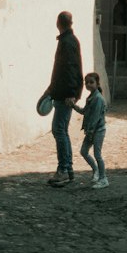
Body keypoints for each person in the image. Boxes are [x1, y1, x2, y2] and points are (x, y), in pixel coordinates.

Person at [46, 10, 83, 187]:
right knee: (61, 131)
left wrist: (71, 94)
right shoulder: (69, 40)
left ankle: (64, 170)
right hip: (62, 92)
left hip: (64, 94)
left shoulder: (67, 42)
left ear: (58, 23)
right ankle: (67, 170)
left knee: (59, 130)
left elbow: (69, 69)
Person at [73, 71, 109, 188]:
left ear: (97, 83)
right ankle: (96, 171)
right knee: (84, 152)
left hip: (97, 130)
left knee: (97, 154)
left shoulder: (98, 99)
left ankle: (103, 179)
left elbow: (95, 118)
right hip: (91, 130)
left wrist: (90, 132)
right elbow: (84, 112)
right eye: (86, 82)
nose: (88, 84)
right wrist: (73, 106)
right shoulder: (91, 97)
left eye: (91, 82)